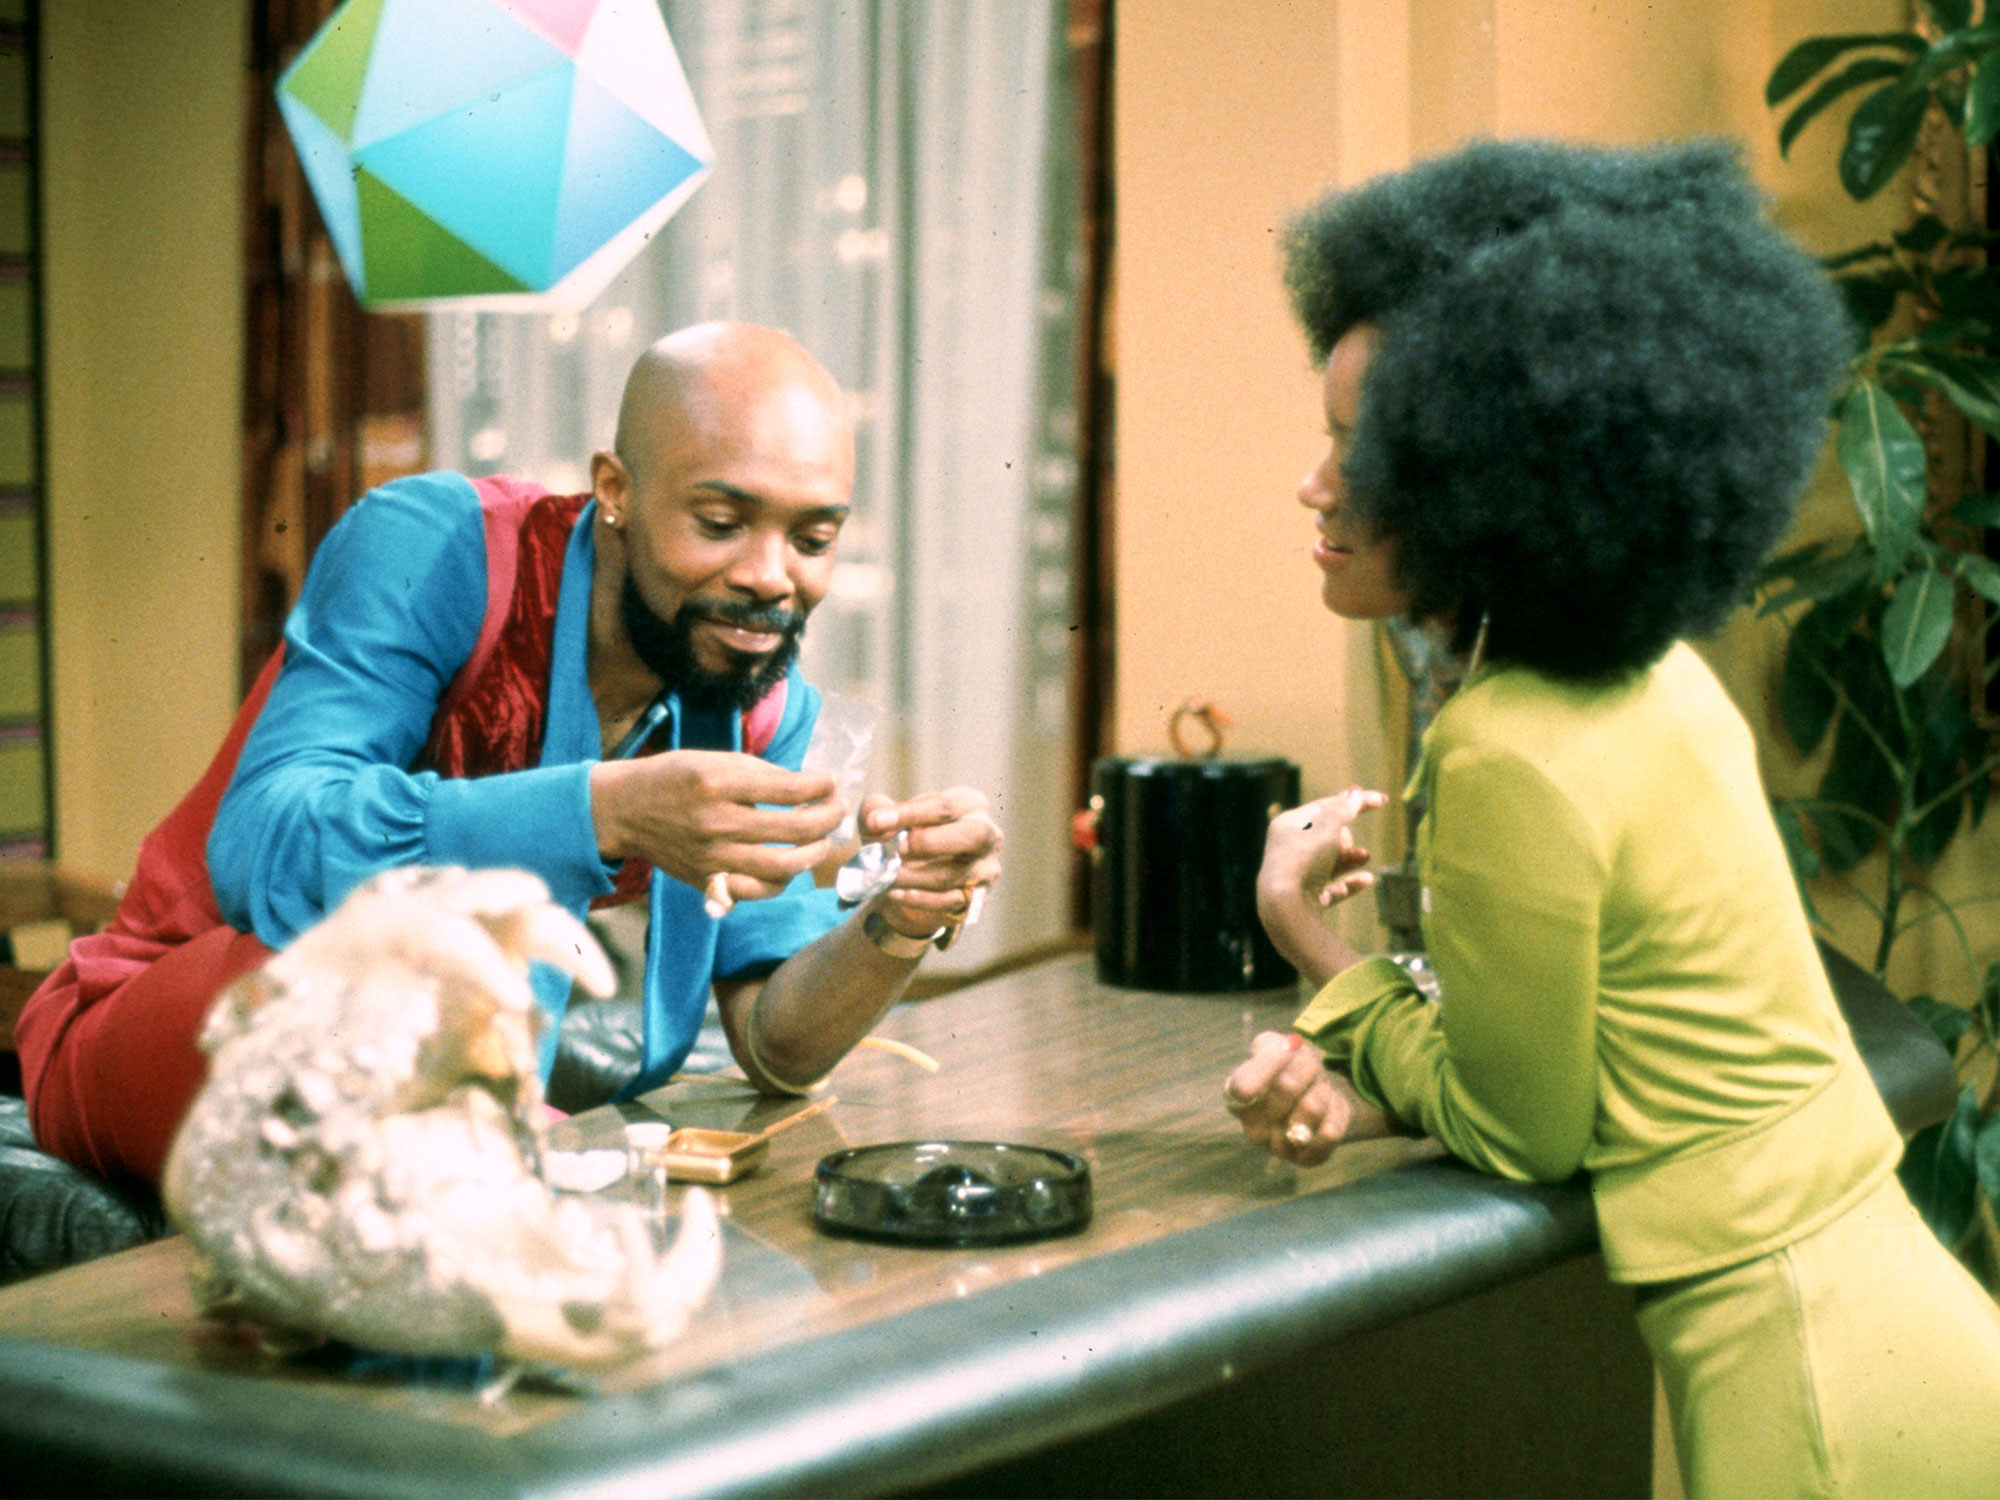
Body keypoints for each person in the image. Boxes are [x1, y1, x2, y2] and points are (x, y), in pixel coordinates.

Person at [1222, 139, 2000, 1497]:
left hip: (1806, 1391)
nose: (1315, 483)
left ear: (1483, 470)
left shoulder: (1504, 748)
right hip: (1889, 1317)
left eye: (1360, 448)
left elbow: (1518, 1128)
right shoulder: (1656, 682)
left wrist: (1312, 947)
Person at [19, 321, 1002, 1187]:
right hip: (182, 1011)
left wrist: (895, 925)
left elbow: (776, 1046)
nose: (769, 578)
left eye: (812, 539)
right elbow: (260, 848)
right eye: (719, 523)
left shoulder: (755, 706)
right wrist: (602, 811)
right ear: (614, 490)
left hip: (425, 1074)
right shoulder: (438, 550)